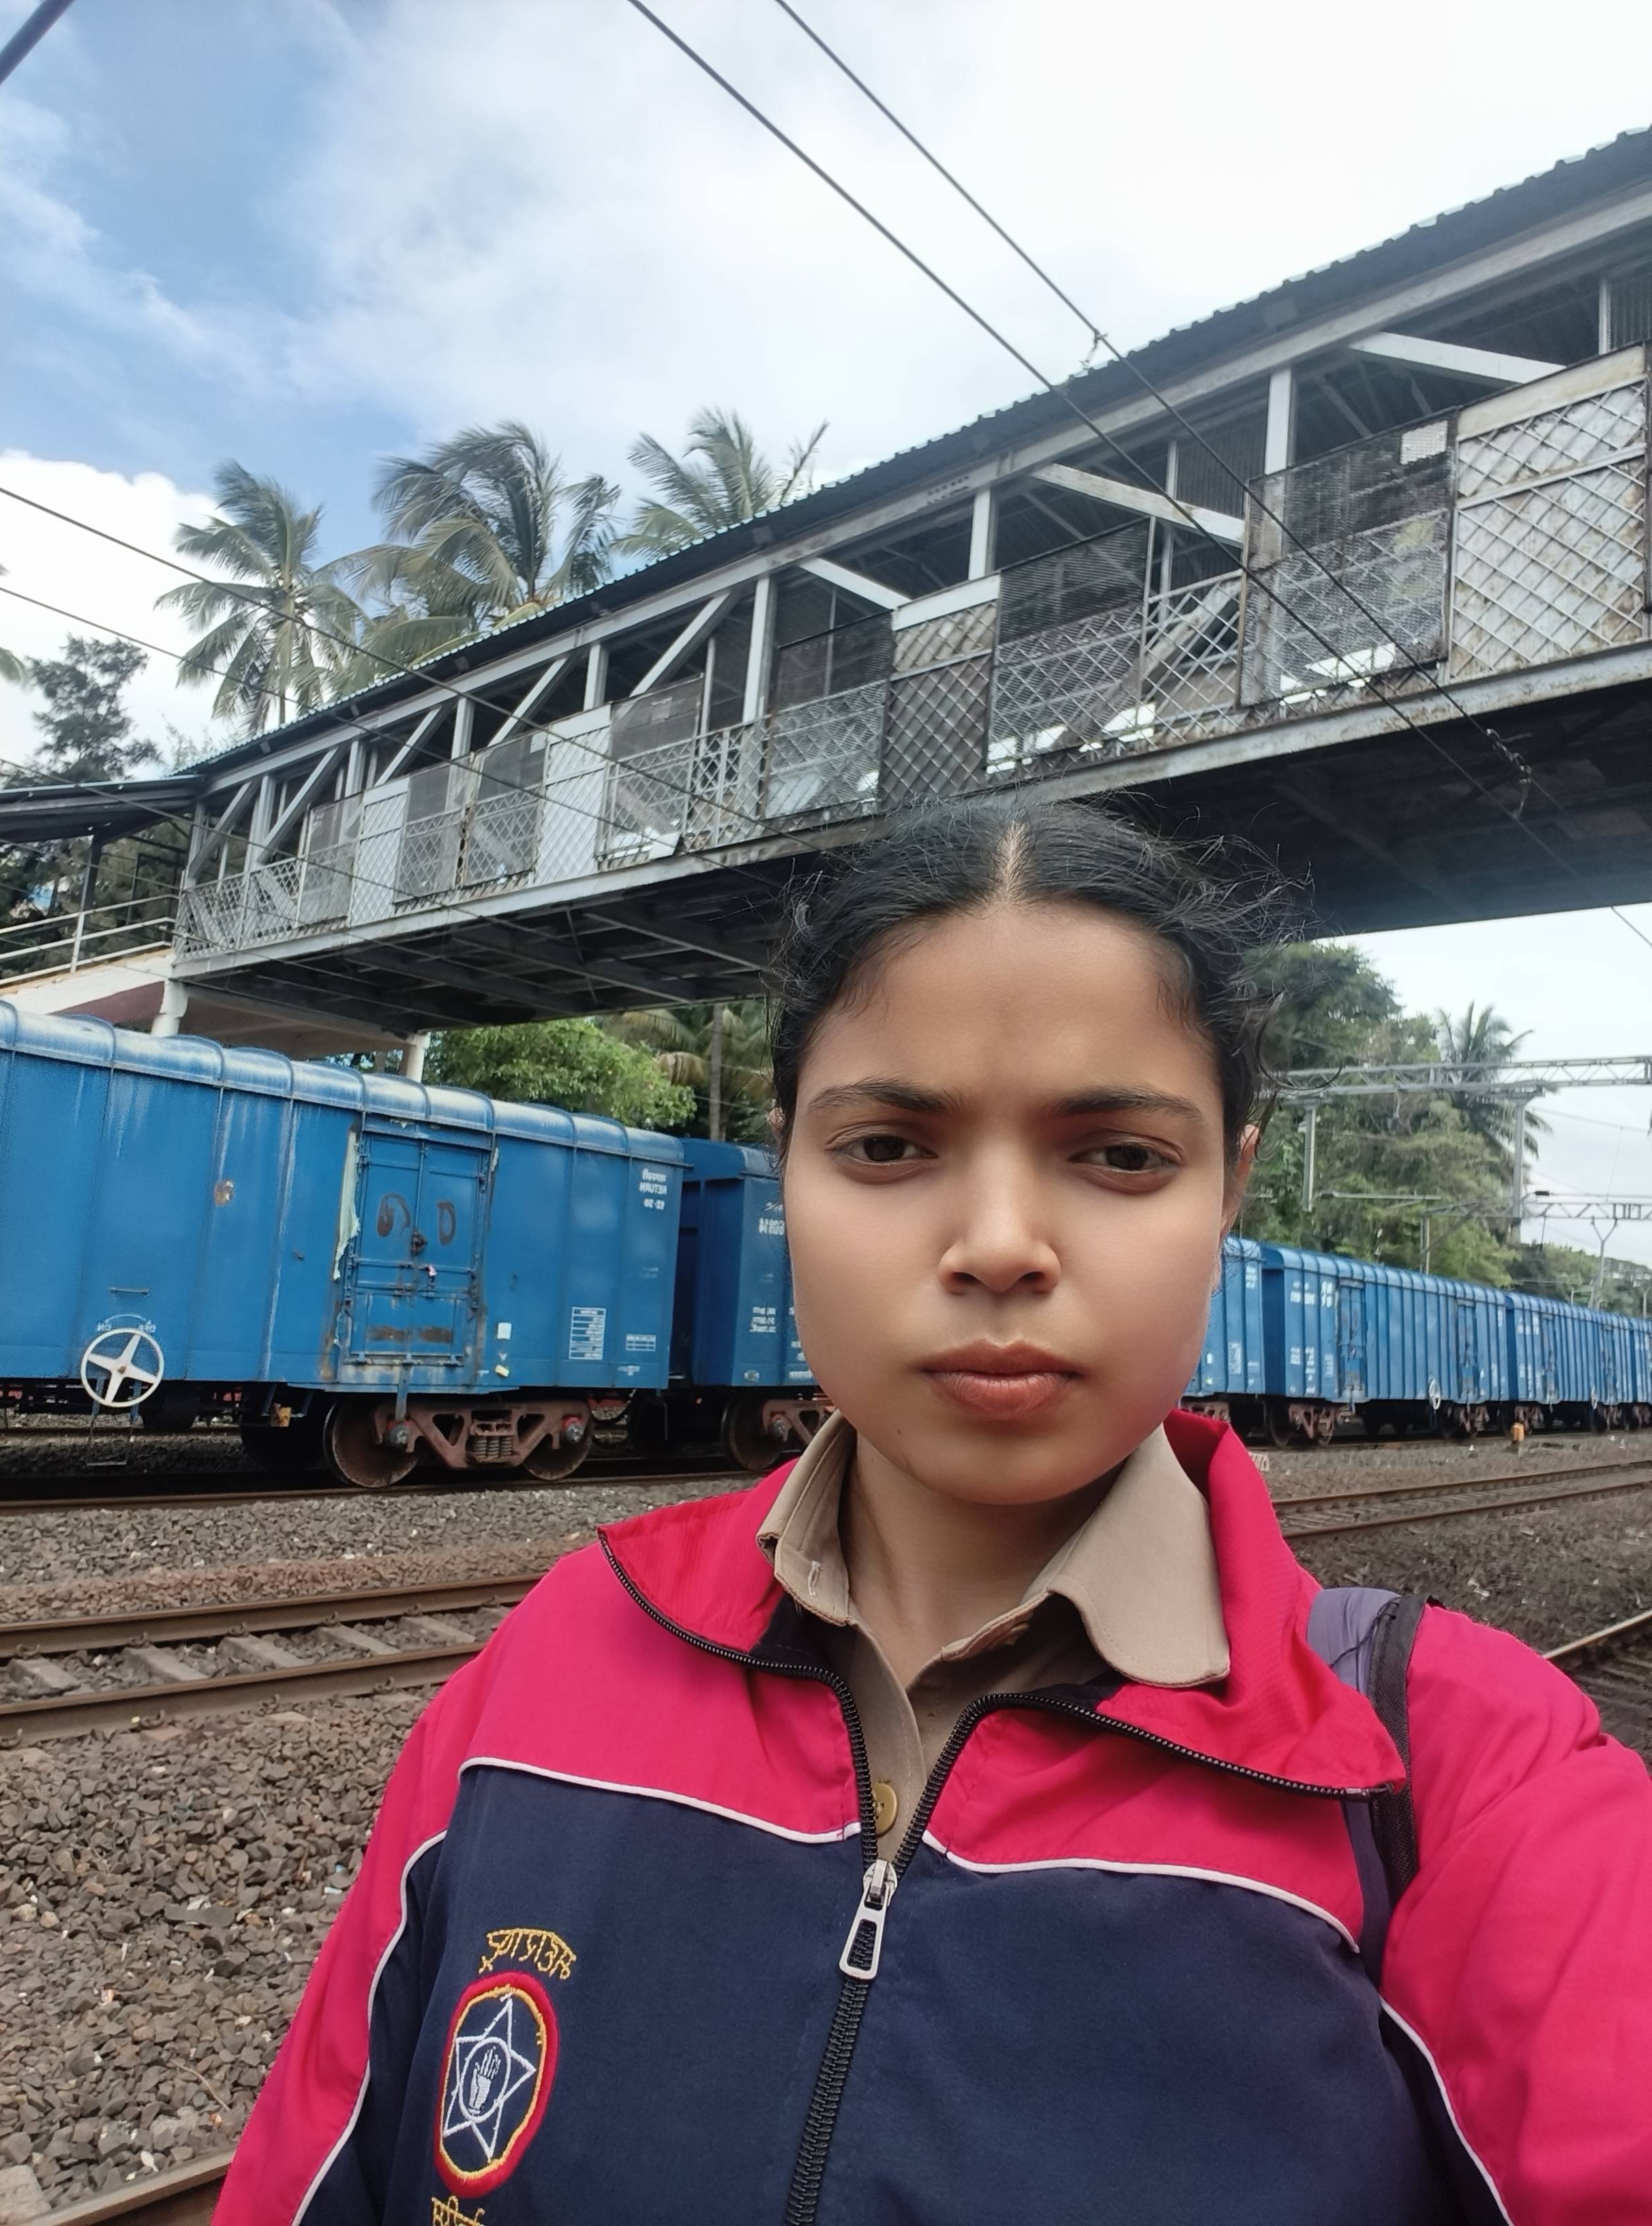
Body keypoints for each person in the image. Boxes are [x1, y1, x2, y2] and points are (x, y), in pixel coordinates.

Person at [217, 798, 1652, 2225]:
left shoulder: (1467, 1775)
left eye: (1121, 1155)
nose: (1000, 1247)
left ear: (1234, 1187)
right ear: (784, 1167)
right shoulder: (548, 1668)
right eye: (889, 1148)